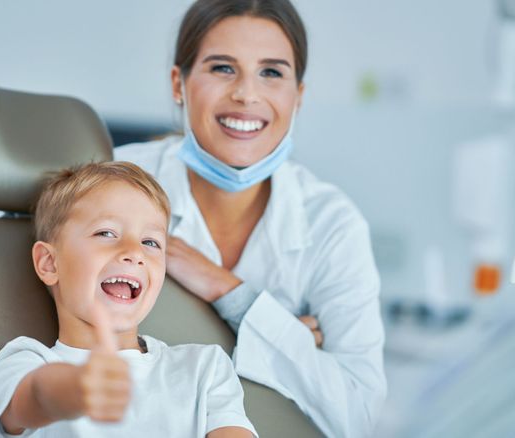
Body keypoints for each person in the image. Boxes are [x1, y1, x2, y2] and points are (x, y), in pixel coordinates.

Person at [114, 0, 387, 436]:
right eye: (223, 68)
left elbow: (359, 413)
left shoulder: (331, 223)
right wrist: (290, 343)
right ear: (178, 83)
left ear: (298, 96)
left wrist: (230, 294)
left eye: (272, 72)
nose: (246, 94)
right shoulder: (112, 186)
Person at [0, 161, 257, 437]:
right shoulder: (26, 361)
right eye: (106, 233)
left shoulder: (204, 367)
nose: (134, 252)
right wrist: (75, 387)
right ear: (49, 263)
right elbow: (33, 398)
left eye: (150, 242)